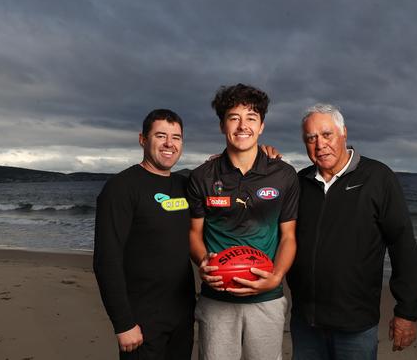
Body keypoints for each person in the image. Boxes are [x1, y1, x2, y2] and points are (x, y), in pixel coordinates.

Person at [287, 104, 417, 360]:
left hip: (356, 325)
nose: (320, 145)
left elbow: (403, 247)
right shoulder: (299, 182)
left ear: (344, 133)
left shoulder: (378, 178)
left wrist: (407, 311)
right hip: (305, 322)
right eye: (311, 138)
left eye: (327, 135)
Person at [187, 83, 299, 360]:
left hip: (266, 298)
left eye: (251, 118)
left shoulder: (284, 175)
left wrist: (275, 278)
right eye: (233, 118)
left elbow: (288, 237)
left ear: (261, 126)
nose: (242, 126)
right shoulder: (203, 176)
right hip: (217, 298)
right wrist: (204, 262)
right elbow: (193, 233)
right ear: (222, 125)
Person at [93, 109, 195, 360]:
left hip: (183, 315)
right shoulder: (121, 188)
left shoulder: (184, 185)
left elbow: (222, 175)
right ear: (143, 139)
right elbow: (107, 260)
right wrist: (123, 323)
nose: (169, 144)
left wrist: (264, 155)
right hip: (142, 319)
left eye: (176, 137)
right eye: (161, 136)